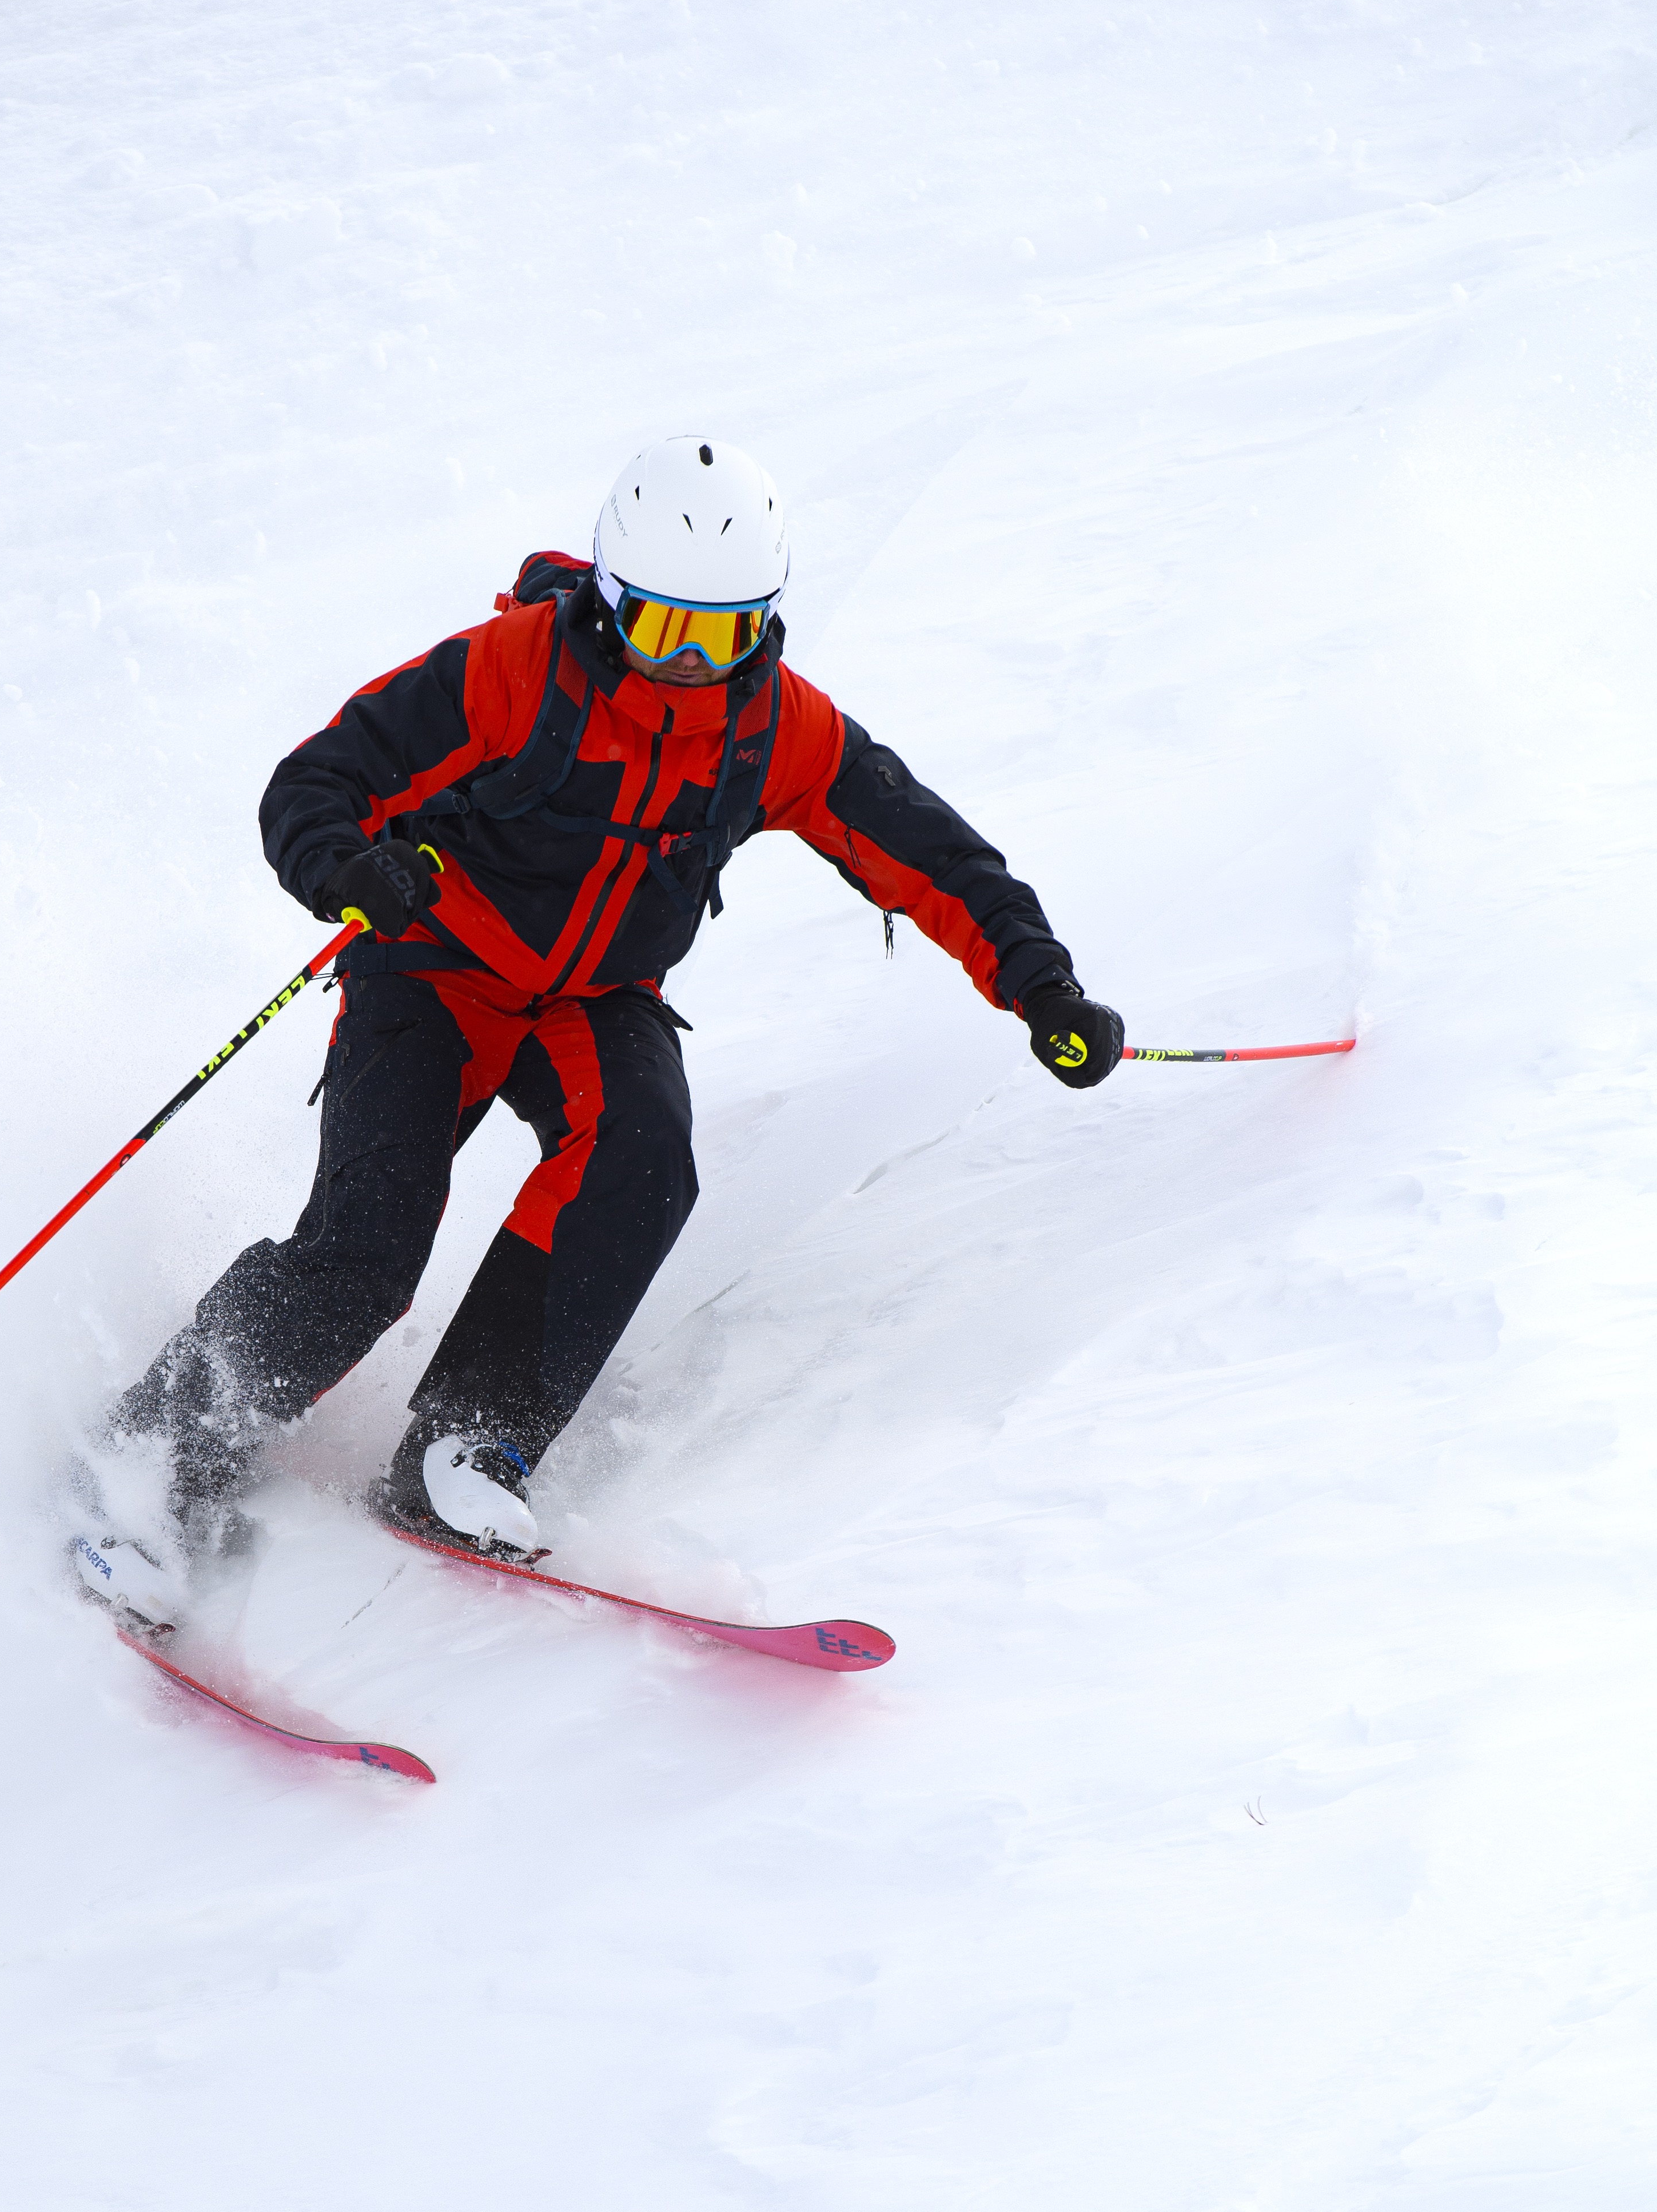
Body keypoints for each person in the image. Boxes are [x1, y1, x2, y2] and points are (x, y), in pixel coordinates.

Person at [79, 435, 1120, 1605]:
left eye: (722, 637)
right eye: (663, 625)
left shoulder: (779, 730)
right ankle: (156, 1454)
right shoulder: (509, 671)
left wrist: (1040, 986)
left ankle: (468, 1441)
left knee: (639, 1165)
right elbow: (315, 783)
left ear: (764, 624)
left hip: (592, 1000)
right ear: (609, 596)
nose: (688, 663)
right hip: (432, 971)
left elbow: (930, 856)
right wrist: (349, 870)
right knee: (369, 1250)